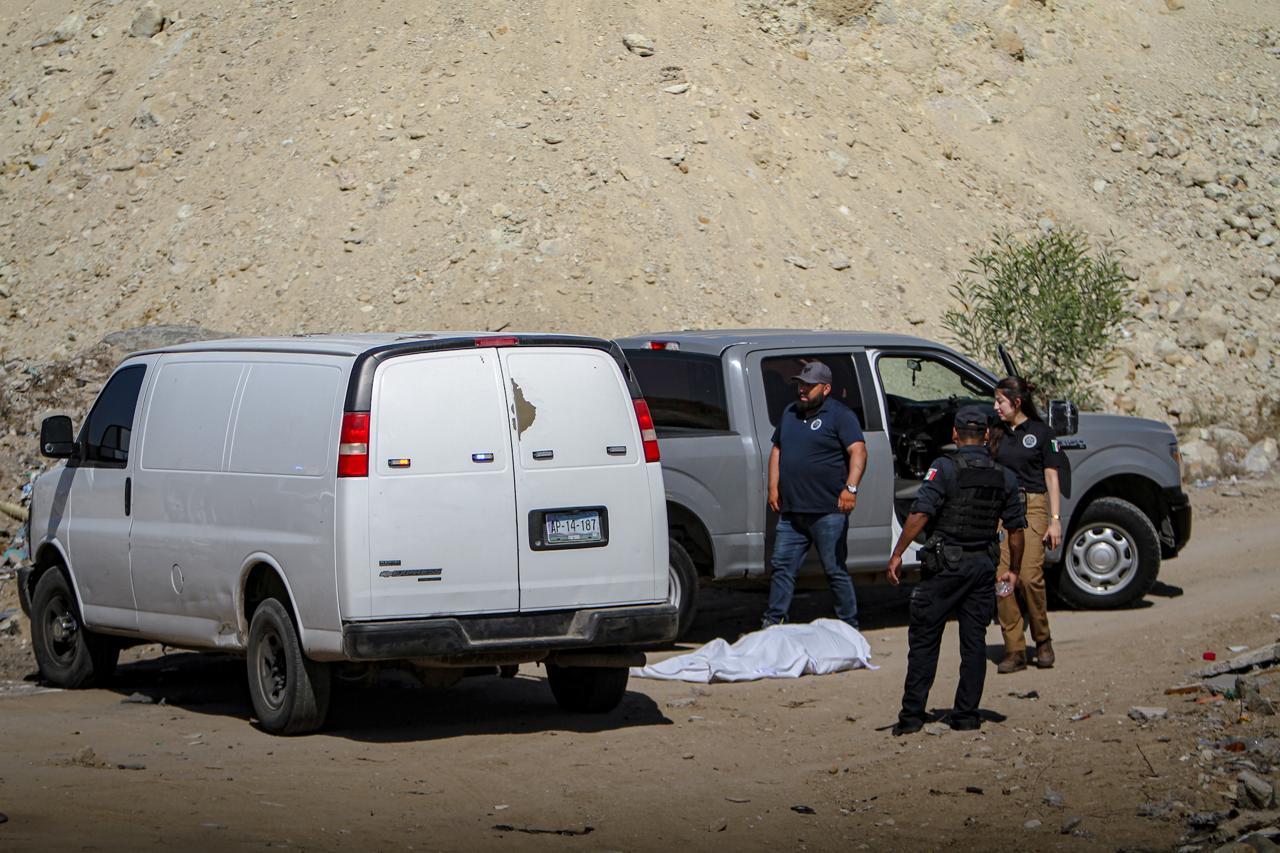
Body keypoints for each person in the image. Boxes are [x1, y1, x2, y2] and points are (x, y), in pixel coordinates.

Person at [887, 406, 1025, 735]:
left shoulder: (944, 468)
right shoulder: (1003, 475)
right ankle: (966, 715)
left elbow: (921, 513)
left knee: (924, 640)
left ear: (954, 434)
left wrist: (897, 553)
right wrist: (1014, 570)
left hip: (945, 566)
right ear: (987, 435)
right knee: (974, 642)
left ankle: (911, 717)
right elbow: (1017, 530)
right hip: (982, 565)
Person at [761, 361, 868, 630]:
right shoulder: (790, 413)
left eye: (809, 385)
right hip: (793, 512)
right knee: (782, 568)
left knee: (834, 570)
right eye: (800, 384)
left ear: (826, 388)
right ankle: (773, 624)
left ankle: (849, 626)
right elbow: (777, 450)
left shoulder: (839, 415)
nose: (802, 390)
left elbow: (859, 451)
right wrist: (773, 487)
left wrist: (851, 488)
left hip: (828, 511)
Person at [990, 376, 1064, 674]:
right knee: (1003, 579)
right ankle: (1014, 648)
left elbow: (1051, 477)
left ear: (1016, 403)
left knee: (1030, 577)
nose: (995, 407)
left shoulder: (1041, 433)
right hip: (1001, 510)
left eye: (1000, 402)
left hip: (1032, 506)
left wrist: (1055, 521)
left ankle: (1043, 639)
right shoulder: (994, 433)